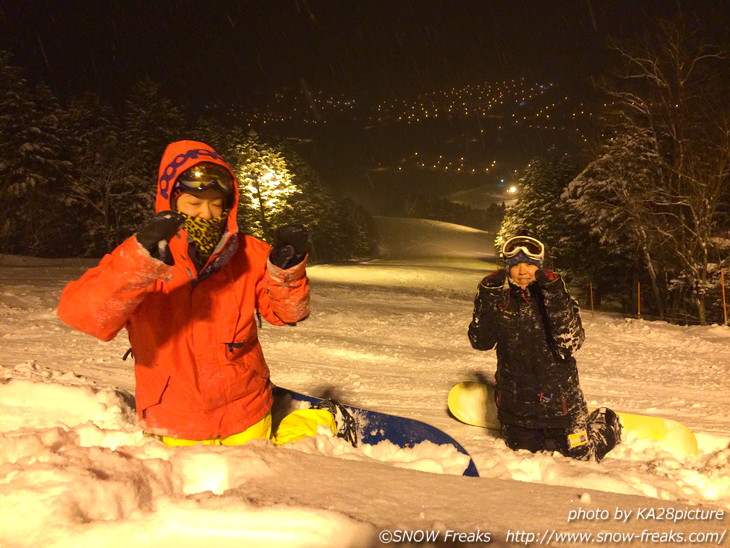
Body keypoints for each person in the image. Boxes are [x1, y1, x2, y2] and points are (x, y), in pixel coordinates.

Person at [57, 140, 354, 447]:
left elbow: (288, 313)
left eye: (215, 203)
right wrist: (138, 264)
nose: (207, 214)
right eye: (194, 204)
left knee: (265, 474)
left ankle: (317, 418)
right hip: (173, 418)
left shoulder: (249, 253)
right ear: (171, 203)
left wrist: (286, 270)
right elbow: (82, 314)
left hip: (244, 411)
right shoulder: (145, 258)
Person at [468, 233, 620, 461]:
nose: (522, 272)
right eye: (515, 265)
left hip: (564, 409)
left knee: (582, 459)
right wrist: (487, 297)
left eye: (529, 264)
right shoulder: (501, 303)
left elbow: (568, 344)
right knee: (525, 461)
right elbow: (481, 342)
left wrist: (555, 293)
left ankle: (605, 424)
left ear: (540, 267)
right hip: (516, 412)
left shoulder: (560, 300)